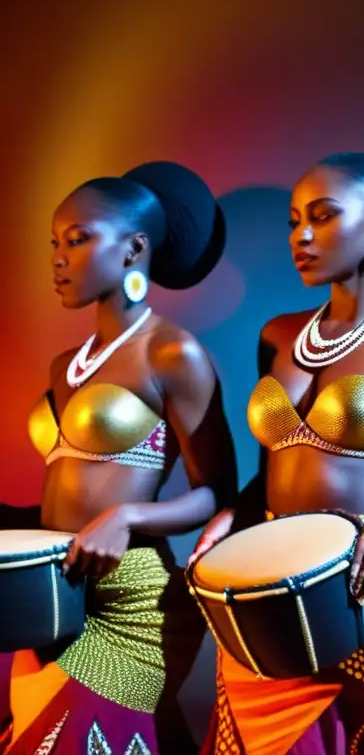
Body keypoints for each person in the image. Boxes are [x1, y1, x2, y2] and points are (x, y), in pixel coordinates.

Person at [191, 147, 364, 754]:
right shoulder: (278, 335)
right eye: (294, 220)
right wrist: (231, 516)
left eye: (321, 216)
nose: (303, 235)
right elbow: (269, 475)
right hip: (268, 591)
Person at [1, 161, 236, 753]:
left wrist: (127, 518)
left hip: (129, 597)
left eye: (77, 241)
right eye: (54, 243)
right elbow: (71, 485)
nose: (57, 257)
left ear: (135, 249)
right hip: (52, 592)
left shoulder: (172, 353)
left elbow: (218, 493)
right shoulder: (67, 364)